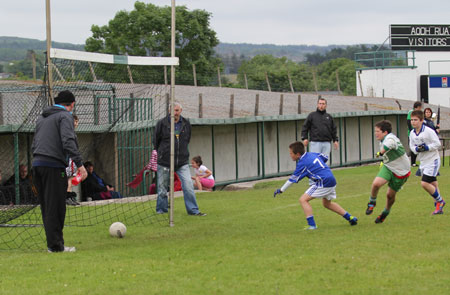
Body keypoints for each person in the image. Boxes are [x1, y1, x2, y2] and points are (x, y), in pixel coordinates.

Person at [32, 90, 87, 253]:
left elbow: (34, 143)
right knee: (56, 206)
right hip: (53, 166)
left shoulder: (42, 118)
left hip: (37, 164)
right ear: (72, 104)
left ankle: (52, 245)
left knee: (47, 207)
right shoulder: (65, 116)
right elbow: (68, 141)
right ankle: (56, 246)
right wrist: (80, 165)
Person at [273, 141, 358, 230]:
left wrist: (281, 190)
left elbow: (292, 180)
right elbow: (325, 158)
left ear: (297, 154)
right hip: (331, 179)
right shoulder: (312, 154)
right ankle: (350, 218)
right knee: (327, 204)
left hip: (323, 181)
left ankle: (312, 225)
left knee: (303, 200)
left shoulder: (302, 163)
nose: (290, 155)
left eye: (290, 153)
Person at [153, 102, 206, 216]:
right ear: (169, 111)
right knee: (162, 188)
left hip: (182, 162)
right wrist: (163, 153)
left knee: (188, 186)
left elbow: (187, 139)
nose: (175, 113)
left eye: (177, 110)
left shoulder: (186, 123)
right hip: (165, 162)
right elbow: (156, 141)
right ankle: (161, 211)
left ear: (181, 111)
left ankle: (193, 211)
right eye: (173, 110)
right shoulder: (161, 123)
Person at [365, 120, 411, 223]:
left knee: (390, 195)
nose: (375, 133)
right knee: (376, 184)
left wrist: (381, 152)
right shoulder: (382, 140)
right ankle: (372, 203)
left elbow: (389, 145)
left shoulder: (391, 138)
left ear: (385, 132)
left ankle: (385, 212)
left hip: (401, 171)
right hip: (388, 167)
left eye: (377, 131)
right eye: (375, 131)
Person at [409, 110, 445, 215]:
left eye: (415, 120)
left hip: (432, 160)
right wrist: (417, 149)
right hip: (423, 161)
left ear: (421, 121)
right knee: (433, 183)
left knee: (425, 183)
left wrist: (427, 147)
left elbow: (437, 144)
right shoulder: (412, 133)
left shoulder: (428, 131)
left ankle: (440, 201)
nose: (413, 122)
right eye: (412, 120)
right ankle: (438, 207)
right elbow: (411, 146)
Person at [66, 115, 80, 206]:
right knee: (68, 178)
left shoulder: (72, 133)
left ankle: (70, 196)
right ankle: (67, 197)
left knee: (71, 178)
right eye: (75, 121)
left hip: (72, 159)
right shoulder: (68, 132)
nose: (76, 124)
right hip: (69, 159)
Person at [407, 101, 422, 166]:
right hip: (412, 133)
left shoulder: (418, 113)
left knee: (418, 146)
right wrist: (411, 132)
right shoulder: (411, 112)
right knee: (413, 147)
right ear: (418, 107)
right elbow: (408, 122)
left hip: (418, 132)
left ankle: (414, 162)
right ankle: (412, 162)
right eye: (420, 107)